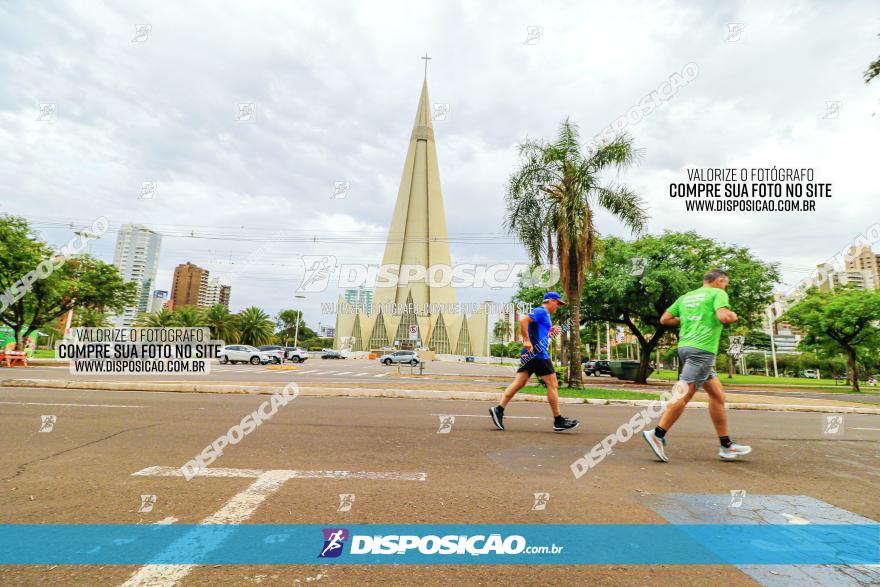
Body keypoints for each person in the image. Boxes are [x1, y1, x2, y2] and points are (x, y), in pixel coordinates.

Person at [642, 268, 752, 461]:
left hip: (685, 348)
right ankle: (657, 434)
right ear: (719, 280)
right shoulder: (718, 293)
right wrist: (733, 316)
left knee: (718, 395)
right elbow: (724, 317)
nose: (726, 286)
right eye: (726, 283)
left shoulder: (686, 297)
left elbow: (665, 319)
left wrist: (685, 320)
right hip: (703, 351)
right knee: (684, 394)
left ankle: (726, 445)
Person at [490, 292, 579, 432]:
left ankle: (498, 409)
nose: (558, 306)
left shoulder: (546, 316)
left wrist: (551, 332)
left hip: (529, 354)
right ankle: (558, 420)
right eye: (557, 303)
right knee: (552, 383)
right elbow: (523, 320)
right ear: (549, 301)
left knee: (519, 383)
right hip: (538, 354)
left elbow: (540, 333)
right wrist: (526, 340)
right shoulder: (541, 311)